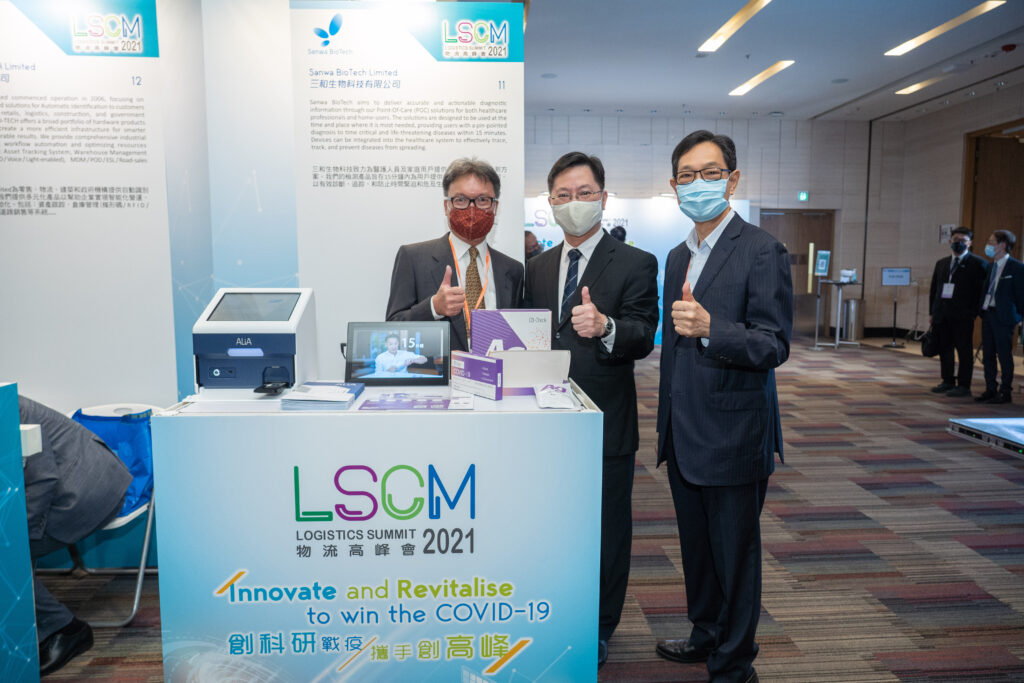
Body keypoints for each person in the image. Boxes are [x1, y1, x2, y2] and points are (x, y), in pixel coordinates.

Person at [655, 130, 793, 683]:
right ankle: (705, 634)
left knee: (735, 558)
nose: (698, 184)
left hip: (734, 434)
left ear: (731, 180)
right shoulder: (676, 257)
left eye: (709, 173)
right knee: (697, 550)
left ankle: (734, 665)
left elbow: (774, 344)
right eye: (687, 176)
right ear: (674, 186)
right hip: (683, 430)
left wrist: (714, 328)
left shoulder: (761, 249)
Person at [523, 151, 659, 670]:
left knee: (606, 529)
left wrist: (606, 327)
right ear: (550, 202)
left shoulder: (635, 262)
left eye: (584, 193)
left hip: (605, 421)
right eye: (563, 195)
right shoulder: (537, 267)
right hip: (544, 421)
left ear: (603, 197)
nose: (573, 203)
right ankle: (555, 610)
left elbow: (644, 335)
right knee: (551, 523)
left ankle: (601, 625)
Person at [19, 395, 132, 676]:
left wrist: (16, 535)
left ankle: (64, 629)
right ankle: (26, 627)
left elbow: (43, 479)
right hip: (66, 483)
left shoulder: (5, 407)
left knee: (6, 554)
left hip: (88, 490)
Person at [386, 158, 524, 352]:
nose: (472, 209)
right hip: (440, 370)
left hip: (497, 369)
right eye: (461, 200)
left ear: (495, 207)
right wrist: (433, 307)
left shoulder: (513, 269)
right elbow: (392, 327)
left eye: (482, 200)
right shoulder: (413, 258)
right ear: (447, 206)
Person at [927, 226, 987, 397]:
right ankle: (947, 380)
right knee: (945, 349)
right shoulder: (942, 263)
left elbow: (980, 291)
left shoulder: (978, 264)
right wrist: (932, 312)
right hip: (942, 314)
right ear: (950, 241)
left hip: (963, 315)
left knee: (964, 350)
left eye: (962, 241)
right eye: (955, 240)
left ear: (970, 243)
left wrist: (973, 312)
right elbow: (934, 289)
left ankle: (963, 385)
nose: (958, 243)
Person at [976, 229, 1024, 404]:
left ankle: (1005, 391)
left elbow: (1021, 295)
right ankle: (990, 388)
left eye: (991, 242)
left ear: (1002, 245)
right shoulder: (990, 266)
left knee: (1004, 355)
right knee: (988, 354)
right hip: (988, 314)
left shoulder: (1017, 267)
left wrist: (1019, 317)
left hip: (1005, 318)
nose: (988, 245)